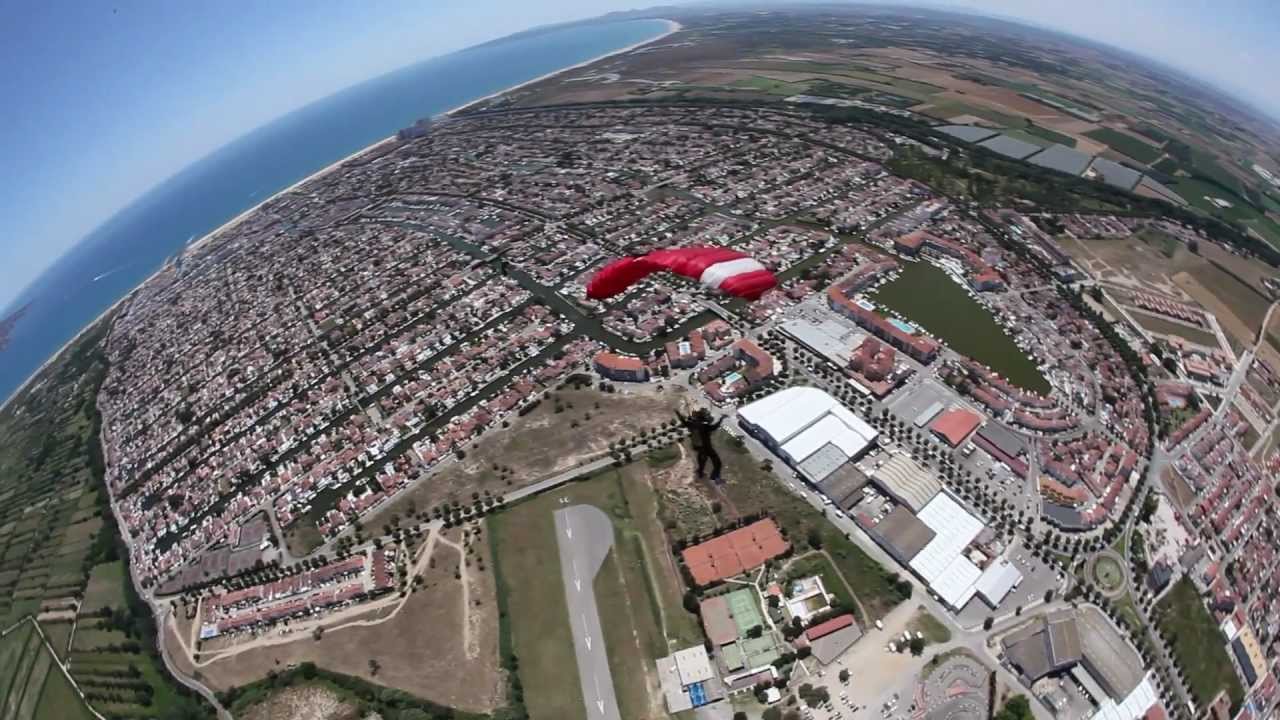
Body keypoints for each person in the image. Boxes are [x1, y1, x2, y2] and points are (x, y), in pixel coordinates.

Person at [676, 405, 724, 482]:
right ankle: (713, 477)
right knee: (718, 463)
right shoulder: (704, 426)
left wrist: (677, 413)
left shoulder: (691, 424)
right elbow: (715, 426)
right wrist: (721, 419)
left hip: (698, 447)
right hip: (706, 448)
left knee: (702, 461)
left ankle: (700, 473)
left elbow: (683, 421)